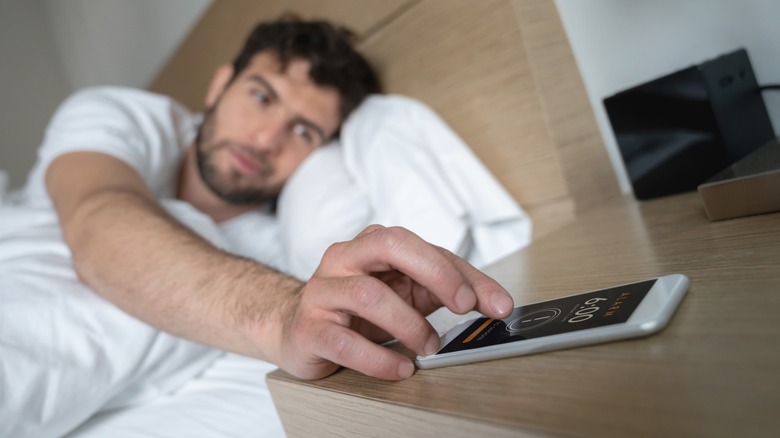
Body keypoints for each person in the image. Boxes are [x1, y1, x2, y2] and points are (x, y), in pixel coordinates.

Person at [1, 15, 514, 436]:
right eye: (262, 97)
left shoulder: (281, 251)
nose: (267, 139)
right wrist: (281, 314)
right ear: (220, 85)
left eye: (302, 130)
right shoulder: (124, 118)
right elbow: (99, 218)